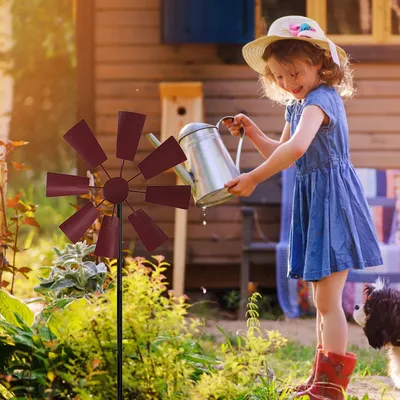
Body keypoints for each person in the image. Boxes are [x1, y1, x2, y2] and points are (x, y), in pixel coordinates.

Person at [223, 15, 382, 399]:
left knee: (329, 302)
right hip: (315, 202)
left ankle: (331, 387)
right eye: (279, 76)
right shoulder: (297, 106)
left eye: (294, 72)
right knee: (319, 300)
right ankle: (319, 379)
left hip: (334, 203)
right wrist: (253, 131)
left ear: (320, 64)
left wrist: (254, 177)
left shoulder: (322, 99)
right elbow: (284, 151)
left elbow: (297, 147)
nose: (287, 82)